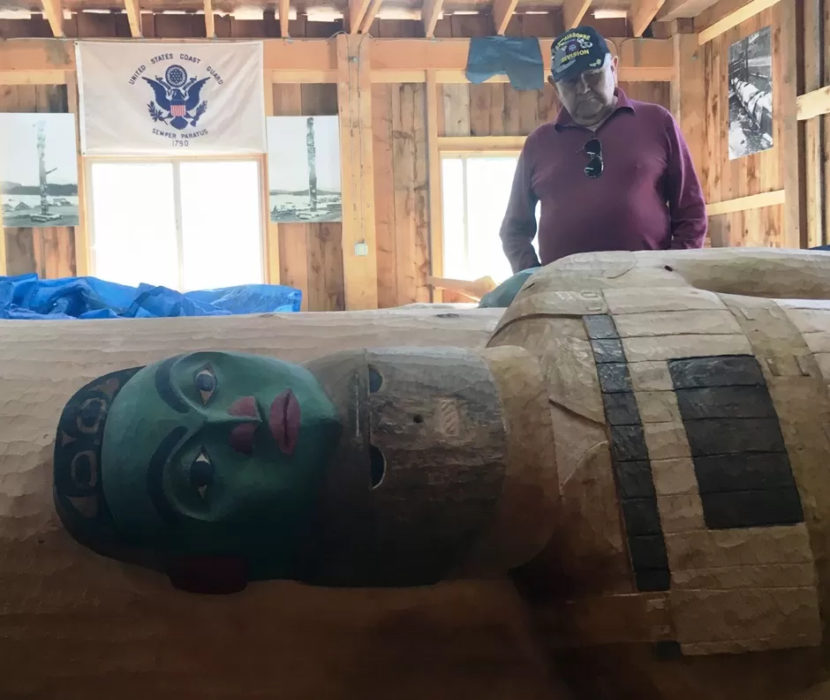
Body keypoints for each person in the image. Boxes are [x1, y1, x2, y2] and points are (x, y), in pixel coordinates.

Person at [499, 26, 707, 273]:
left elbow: (691, 213)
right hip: (564, 293)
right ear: (555, 86)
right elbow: (514, 231)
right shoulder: (539, 144)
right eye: (572, 81)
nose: (584, 88)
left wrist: (670, 273)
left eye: (593, 75)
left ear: (613, 68)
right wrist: (533, 278)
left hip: (648, 288)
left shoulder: (658, 123)